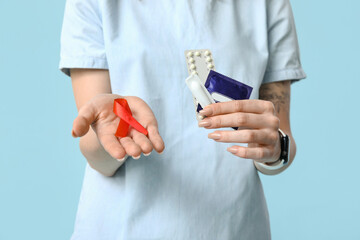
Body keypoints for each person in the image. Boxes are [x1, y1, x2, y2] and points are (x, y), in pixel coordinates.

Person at [59, 0, 306, 239]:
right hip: (123, 228)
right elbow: (98, 155)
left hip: (237, 226)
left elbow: (282, 139)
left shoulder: (268, 4)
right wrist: (114, 134)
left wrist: (274, 147)